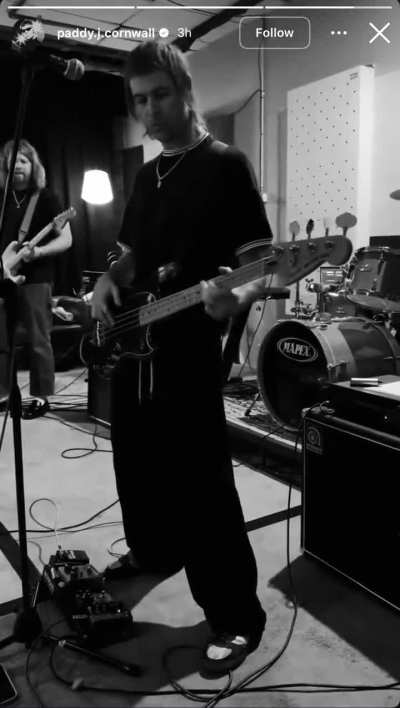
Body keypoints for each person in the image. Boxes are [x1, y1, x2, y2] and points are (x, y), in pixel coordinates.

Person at [91, 40, 274, 676]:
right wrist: (106, 280)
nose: (150, 112)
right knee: (135, 462)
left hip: (189, 346)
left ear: (185, 91)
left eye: (160, 96)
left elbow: (263, 262)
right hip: (136, 343)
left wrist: (237, 296)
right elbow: (130, 254)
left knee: (202, 485)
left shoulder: (226, 165)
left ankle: (237, 615)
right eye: (139, 101)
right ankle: (153, 551)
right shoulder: (147, 176)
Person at [0, 139, 72, 417]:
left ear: (33, 165)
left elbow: (66, 239)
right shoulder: (3, 199)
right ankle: (3, 393)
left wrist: (38, 251)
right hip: (4, 277)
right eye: (12, 160)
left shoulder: (46, 198)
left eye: (23, 160)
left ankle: (41, 397)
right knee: (1, 340)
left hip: (36, 278)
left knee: (38, 339)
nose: (17, 165)